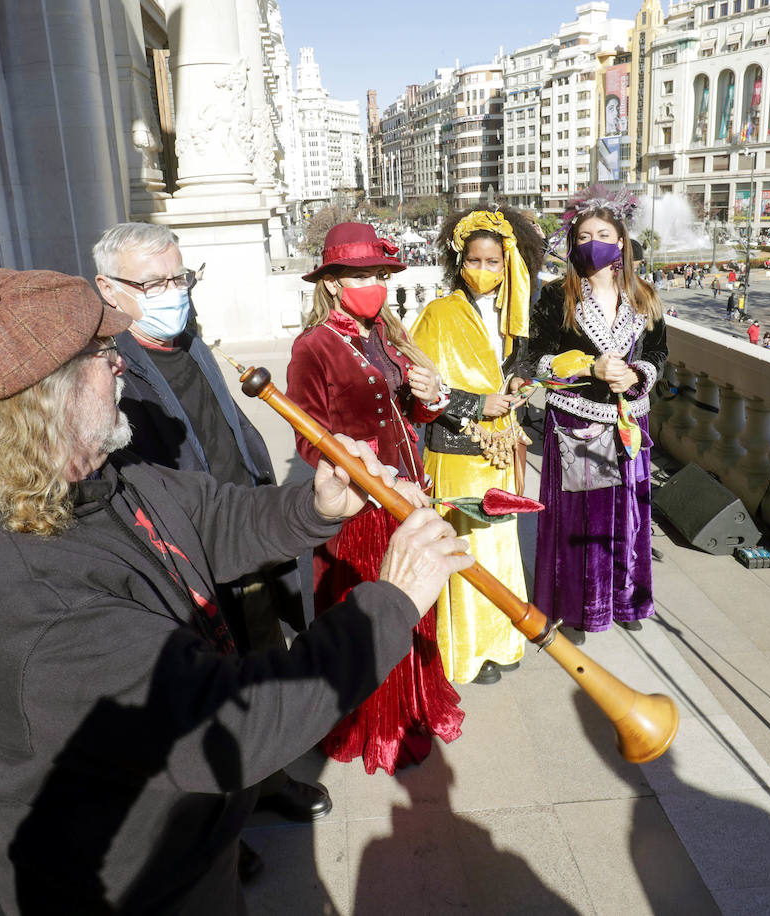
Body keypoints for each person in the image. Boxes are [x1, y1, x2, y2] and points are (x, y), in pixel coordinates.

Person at [0, 267, 471, 914]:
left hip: (194, 845)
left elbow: (213, 518)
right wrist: (390, 601)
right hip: (125, 888)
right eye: (103, 356)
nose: (121, 368)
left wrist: (319, 506)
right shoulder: (21, 590)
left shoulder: (99, 473)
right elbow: (236, 725)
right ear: (43, 398)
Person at [91, 224, 331, 847]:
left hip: (239, 528)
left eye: (181, 278)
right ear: (108, 289)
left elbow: (220, 428)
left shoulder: (190, 340)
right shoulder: (108, 366)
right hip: (179, 548)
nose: (173, 293)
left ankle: (270, 778)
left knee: (258, 664)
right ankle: (217, 829)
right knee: (200, 692)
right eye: (155, 283)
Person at [288, 223, 466, 774]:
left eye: (378, 275)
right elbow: (308, 439)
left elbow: (413, 416)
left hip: (411, 498)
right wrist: (375, 474)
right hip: (362, 511)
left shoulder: (390, 334)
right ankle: (376, 725)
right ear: (333, 283)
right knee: (372, 610)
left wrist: (430, 399)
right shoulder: (312, 346)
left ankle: (413, 708)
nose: (371, 285)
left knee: (413, 605)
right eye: (359, 275)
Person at [510, 186, 667, 643]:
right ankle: (576, 607)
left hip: (630, 422)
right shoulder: (557, 297)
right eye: (582, 235)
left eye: (602, 233)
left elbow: (659, 353)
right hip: (576, 423)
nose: (591, 242)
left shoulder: (645, 297)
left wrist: (636, 374)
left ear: (620, 242)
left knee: (630, 515)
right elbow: (532, 360)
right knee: (580, 518)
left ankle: (626, 597)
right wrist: (586, 367)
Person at [409, 206, 541, 685]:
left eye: (494, 263)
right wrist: (475, 404)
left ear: (511, 264)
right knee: (463, 546)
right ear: (459, 260)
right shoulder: (438, 313)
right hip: (455, 448)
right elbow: (418, 385)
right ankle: (464, 650)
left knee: (501, 546)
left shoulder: (516, 318)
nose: (484, 271)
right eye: (475, 261)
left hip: (502, 451)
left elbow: (517, 371)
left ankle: (502, 641)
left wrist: (520, 386)